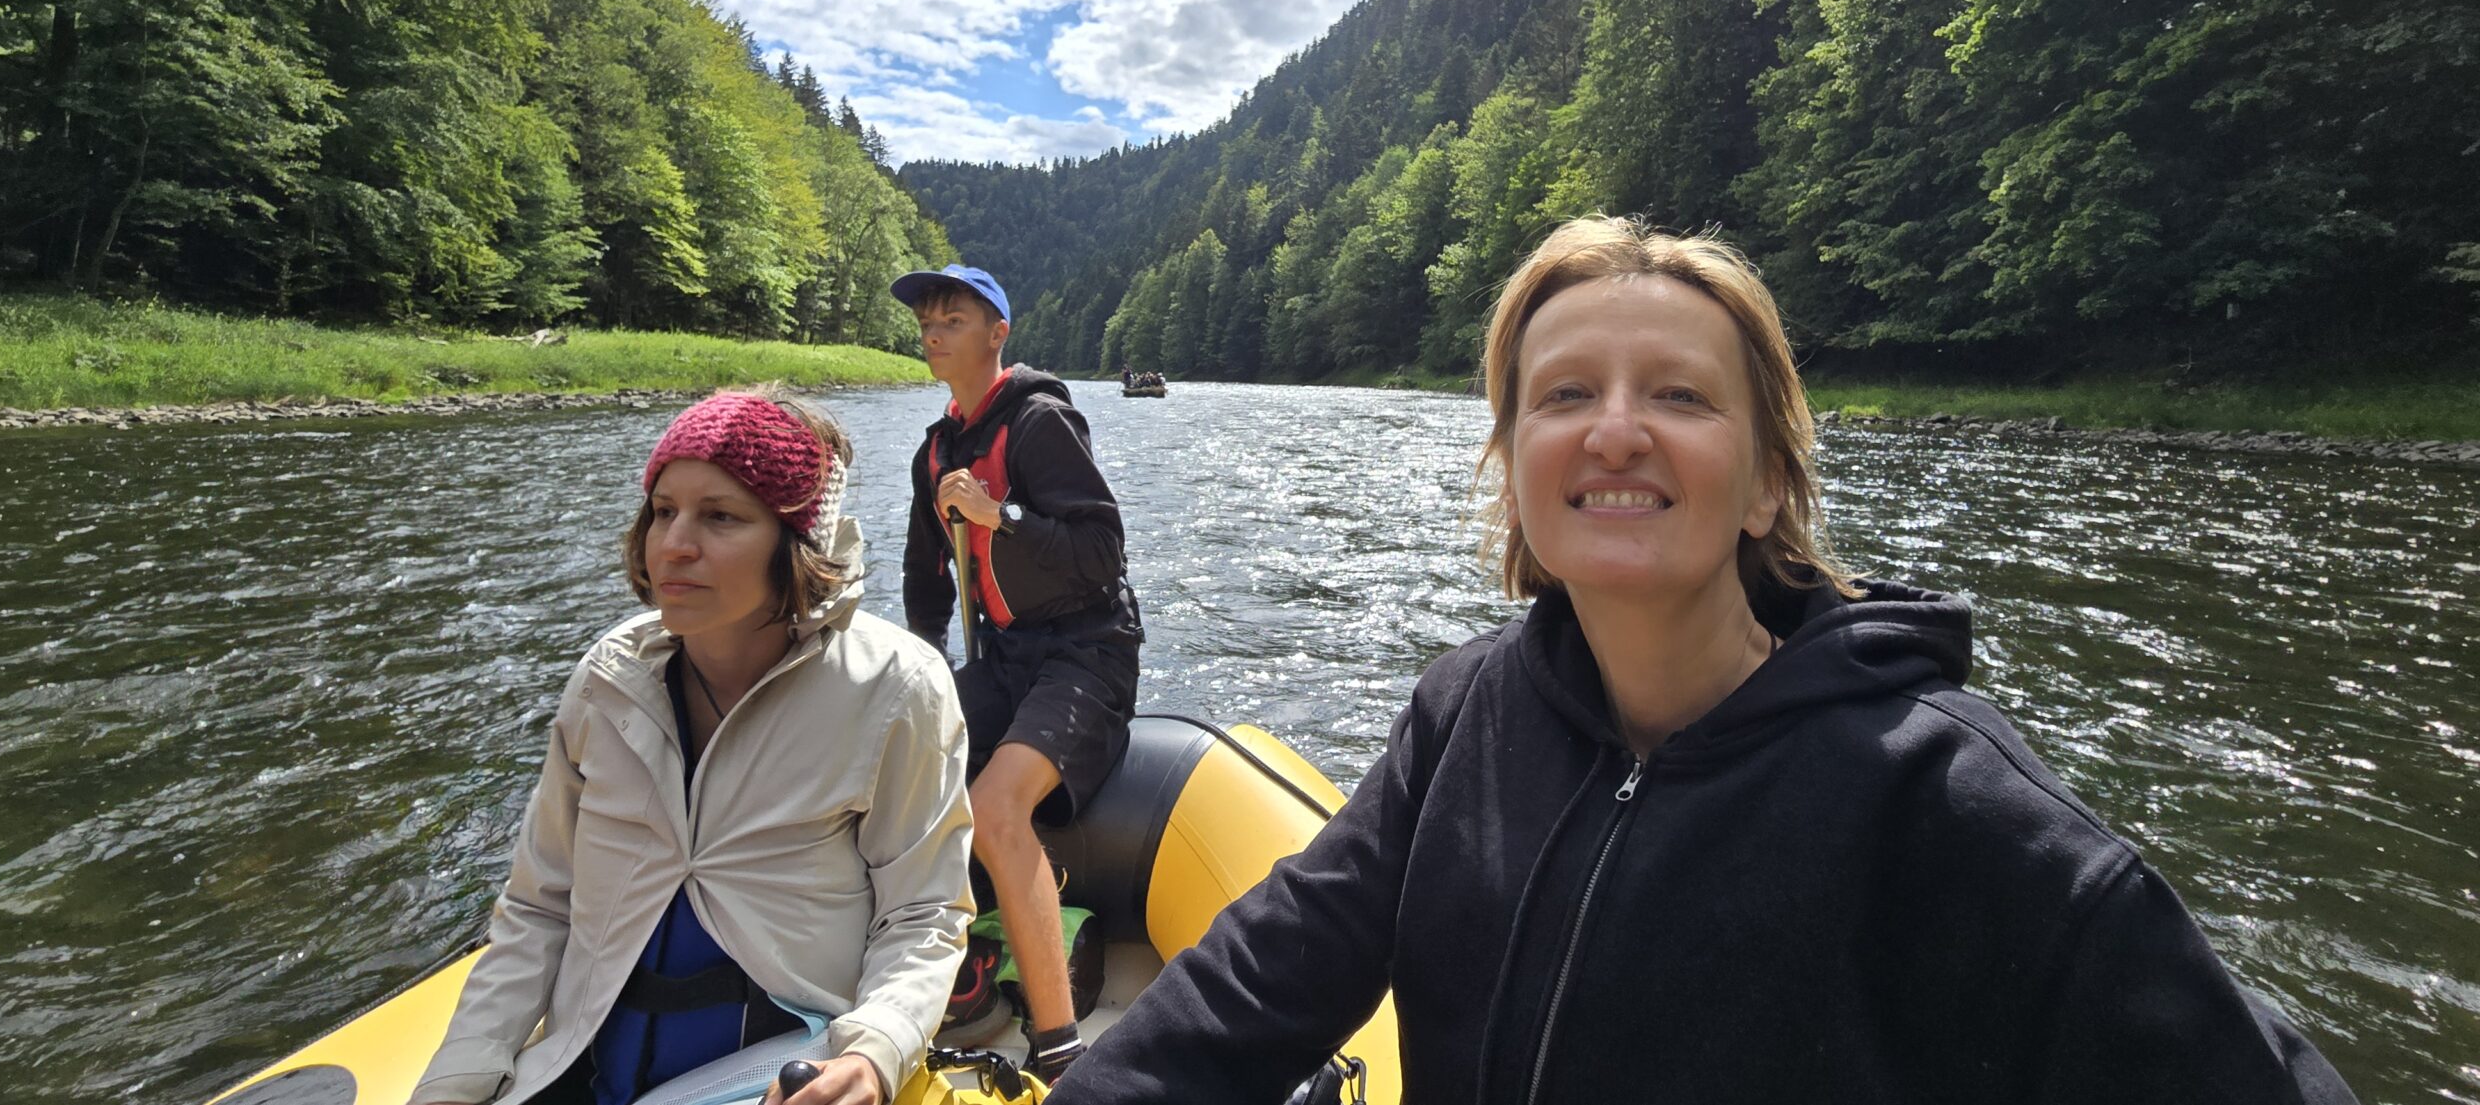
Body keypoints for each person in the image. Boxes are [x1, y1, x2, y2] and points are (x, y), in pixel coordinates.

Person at [1056, 217, 2357, 1104]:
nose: (1615, 431)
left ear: (1763, 484)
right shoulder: (1463, 716)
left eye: (1677, 395)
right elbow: (1256, 983)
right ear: (1516, 476)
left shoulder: (1941, 799)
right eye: (1565, 396)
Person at [409, 390, 972, 1105]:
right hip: (584, 1073)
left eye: (720, 516)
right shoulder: (607, 680)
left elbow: (923, 912)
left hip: (778, 1075)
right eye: (663, 510)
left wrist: (878, 1045)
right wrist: (457, 1076)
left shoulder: (897, 688)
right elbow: (541, 905)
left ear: (797, 541)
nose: (674, 542)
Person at [891, 264, 1141, 1083]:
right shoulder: (935, 453)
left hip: (1087, 650)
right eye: (928, 321)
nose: (933, 332)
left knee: (997, 803)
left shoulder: (1038, 423)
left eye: (952, 318)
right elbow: (927, 586)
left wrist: (1003, 515)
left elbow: (1103, 553)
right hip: (1005, 658)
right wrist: (918, 686)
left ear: (998, 332)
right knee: (895, 765)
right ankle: (934, 967)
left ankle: (1062, 1051)